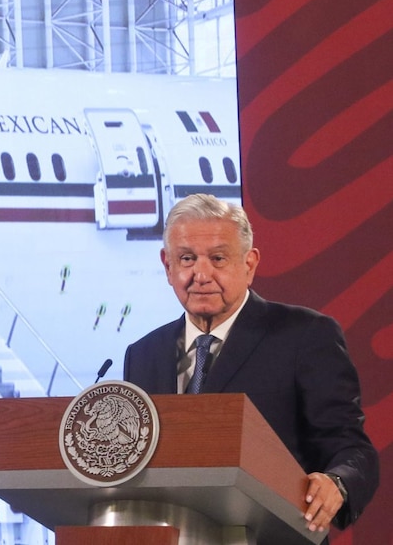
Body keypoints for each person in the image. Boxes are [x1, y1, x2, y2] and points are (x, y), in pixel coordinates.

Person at [122, 194, 378, 534]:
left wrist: (337, 483)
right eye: (187, 258)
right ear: (168, 266)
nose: (201, 274)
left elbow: (350, 446)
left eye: (217, 258)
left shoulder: (305, 336)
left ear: (249, 264)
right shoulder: (143, 354)